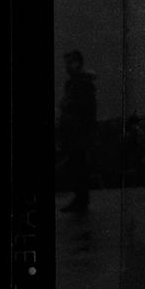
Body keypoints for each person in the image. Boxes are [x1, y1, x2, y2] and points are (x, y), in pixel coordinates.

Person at [58, 50, 97, 213]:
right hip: (75, 131)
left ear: (78, 62)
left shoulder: (81, 83)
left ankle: (81, 200)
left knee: (79, 166)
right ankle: (80, 199)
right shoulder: (75, 82)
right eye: (67, 62)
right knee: (77, 166)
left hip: (79, 131)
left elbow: (83, 107)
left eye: (71, 62)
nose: (68, 66)